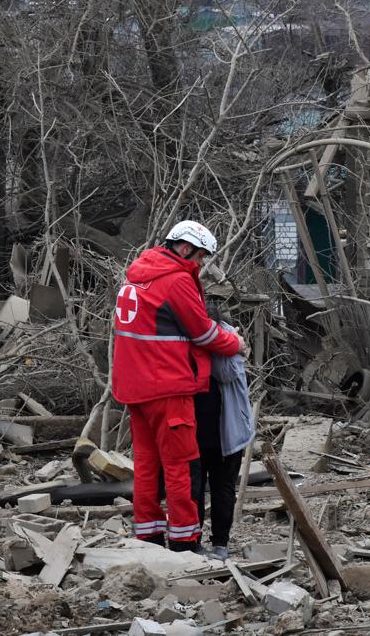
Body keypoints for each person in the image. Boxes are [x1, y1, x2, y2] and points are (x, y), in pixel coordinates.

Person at [111, 220, 244, 552]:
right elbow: (203, 332)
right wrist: (235, 343)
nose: (200, 264)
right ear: (185, 248)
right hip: (167, 387)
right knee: (181, 466)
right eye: (199, 257)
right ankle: (185, 542)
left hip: (134, 388)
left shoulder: (138, 273)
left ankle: (149, 537)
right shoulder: (176, 281)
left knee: (145, 465)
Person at [191, 340, 255, 560]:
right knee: (223, 488)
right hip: (229, 434)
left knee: (195, 490)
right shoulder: (230, 351)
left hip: (197, 434)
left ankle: (194, 542)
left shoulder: (188, 348)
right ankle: (220, 544)